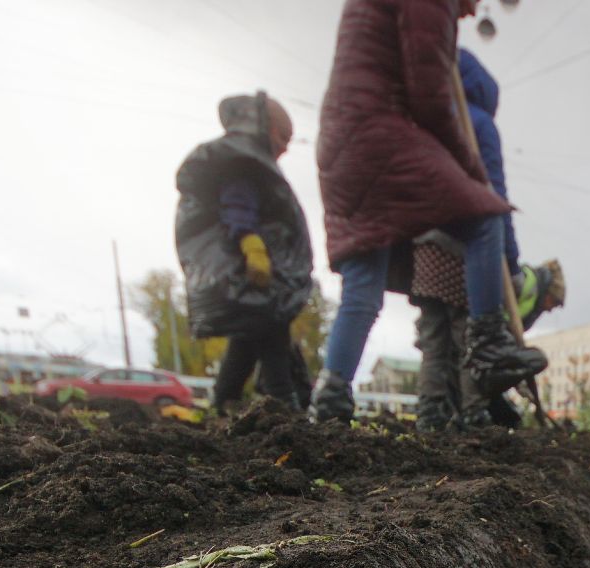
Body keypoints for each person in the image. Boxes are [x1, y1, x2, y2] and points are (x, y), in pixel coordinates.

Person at [312, 0, 548, 423]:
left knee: (365, 276)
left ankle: (329, 402)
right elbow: (429, 91)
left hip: (344, 135)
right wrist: (472, 174)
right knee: (484, 216)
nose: (474, 12)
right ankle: (489, 350)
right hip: (377, 128)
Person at [409, 47, 565, 431]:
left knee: (434, 339)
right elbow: (493, 197)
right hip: (465, 250)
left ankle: (430, 416)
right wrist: (508, 259)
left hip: (423, 247)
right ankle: (474, 414)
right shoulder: (478, 124)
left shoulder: (423, 124)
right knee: (470, 342)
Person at [175, 92, 314, 412]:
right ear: (261, 128)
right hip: (253, 276)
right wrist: (252, 248)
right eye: (283, 136)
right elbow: (238, 209)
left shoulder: (252, 166)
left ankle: (222, 405)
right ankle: (287, 413)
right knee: (274, 345)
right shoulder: (242, 167)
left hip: (256, 282)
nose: (286, 146)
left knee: (246, 343)